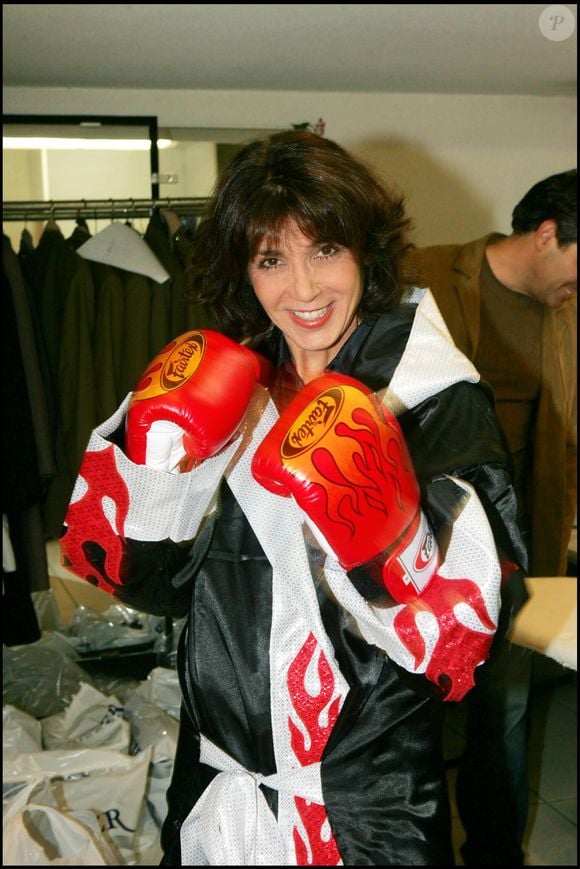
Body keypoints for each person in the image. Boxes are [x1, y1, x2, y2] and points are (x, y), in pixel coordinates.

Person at [60, 130, 527, 866]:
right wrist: (159, 479)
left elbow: (470, 644)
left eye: (325, 251)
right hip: (219, 784)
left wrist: (386, 532)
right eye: (272, 258)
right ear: (245, 270)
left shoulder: (433, 395)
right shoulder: (228, 388)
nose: (303, 290)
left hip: (366, 809)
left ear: (364, 253)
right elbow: (153, 589)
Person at [406, 169, 577, 866]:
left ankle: (495, 851)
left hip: (524, 544)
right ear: (545, 236)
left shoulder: (568, 313)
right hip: (422, 544)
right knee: (409, 710)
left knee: (506, 709)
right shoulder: (423, 274)